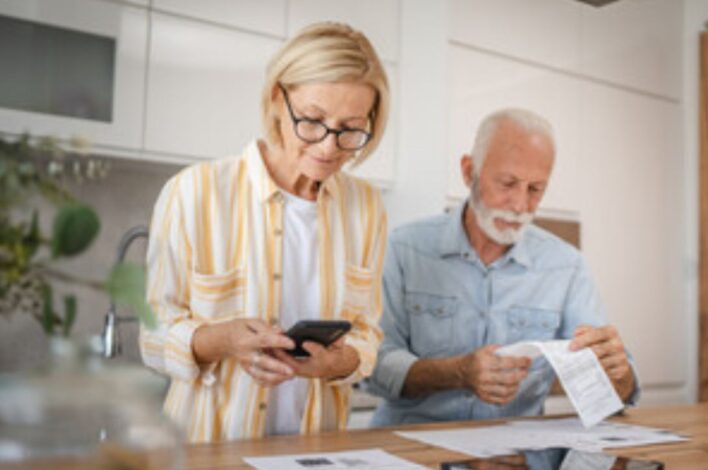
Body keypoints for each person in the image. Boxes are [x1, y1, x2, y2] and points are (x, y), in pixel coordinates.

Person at [140, 22, 389, 442]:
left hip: (317, 452)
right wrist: (219, 340)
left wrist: (339, 363)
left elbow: (368, 334)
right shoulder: (194, 192)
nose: (329, 147)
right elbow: (151, 339)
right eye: (312, 121)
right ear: (278, 99)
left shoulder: (365, 208)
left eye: (350, 129)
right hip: (209, 455)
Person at [368, 108, 638, 426]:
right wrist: (457, 373)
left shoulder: (567, 266)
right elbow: (370, 365)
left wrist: (619, 377)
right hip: (412, 447)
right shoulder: (404, 248)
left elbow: (612, 392)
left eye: (535, 189)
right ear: (469, 172)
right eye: (508, 184)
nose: (521, 205)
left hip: (515, 452)